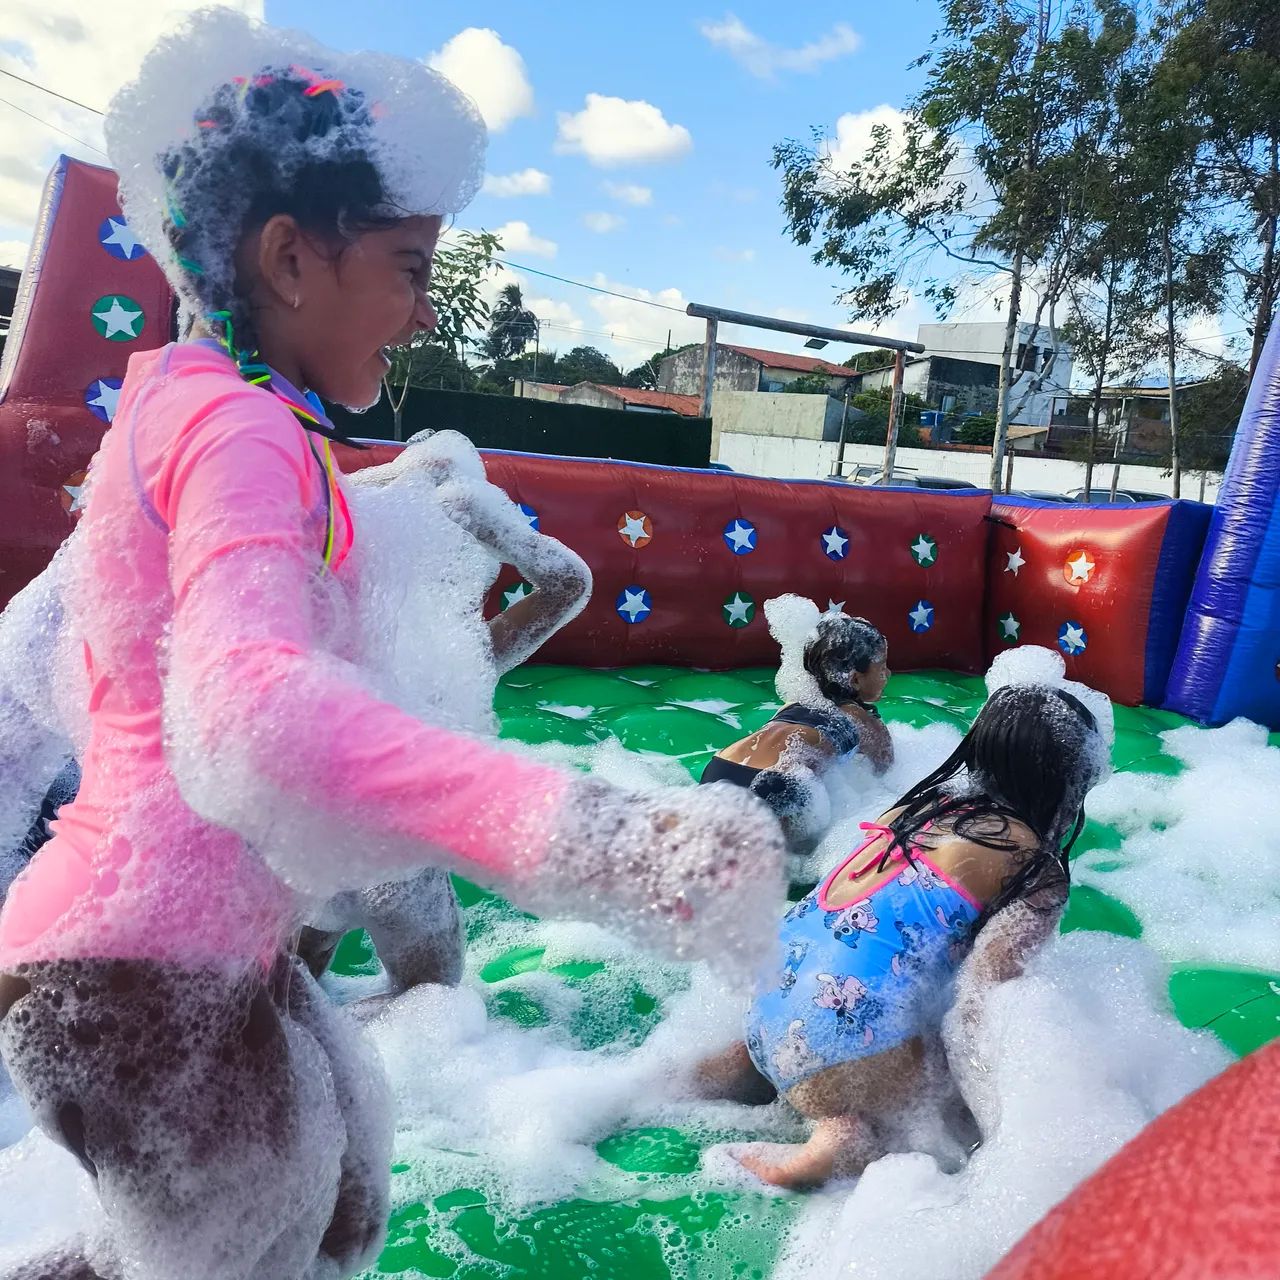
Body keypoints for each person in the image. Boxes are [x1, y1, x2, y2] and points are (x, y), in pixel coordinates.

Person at [0, 14, 785, 1280]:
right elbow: (250, 712)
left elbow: (62, 645)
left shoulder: (195, 401)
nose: (422, 315)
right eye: (411, 266)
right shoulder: (239, 433)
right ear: (292, 257)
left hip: (167, 950)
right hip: (139, 967)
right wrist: (590, 837)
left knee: (346, 1206)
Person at [697, 677, 1106, 1189]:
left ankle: (695, 1082)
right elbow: (989, 995)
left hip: (765, 1009)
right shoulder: (1032, 867)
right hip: (841, 1049)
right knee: (945, 1124)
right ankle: (839, 1138)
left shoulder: (920, 806)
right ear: (1069, 779)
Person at [297, 429, 592, 990]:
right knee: (430, 1011)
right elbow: (570, 582)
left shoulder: (338, 528)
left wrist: (377, 483)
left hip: (309, 832)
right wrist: (483, 520)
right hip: (400, 851)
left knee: (289, 1001)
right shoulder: (459, 655)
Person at [700, 606, 893, 856]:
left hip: (723, 765)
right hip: (778, 784)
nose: (888, 674)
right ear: (855, 679)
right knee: (792, 859)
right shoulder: (861, 720)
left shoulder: (795, 702)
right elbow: (886, 770)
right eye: (882, 668)